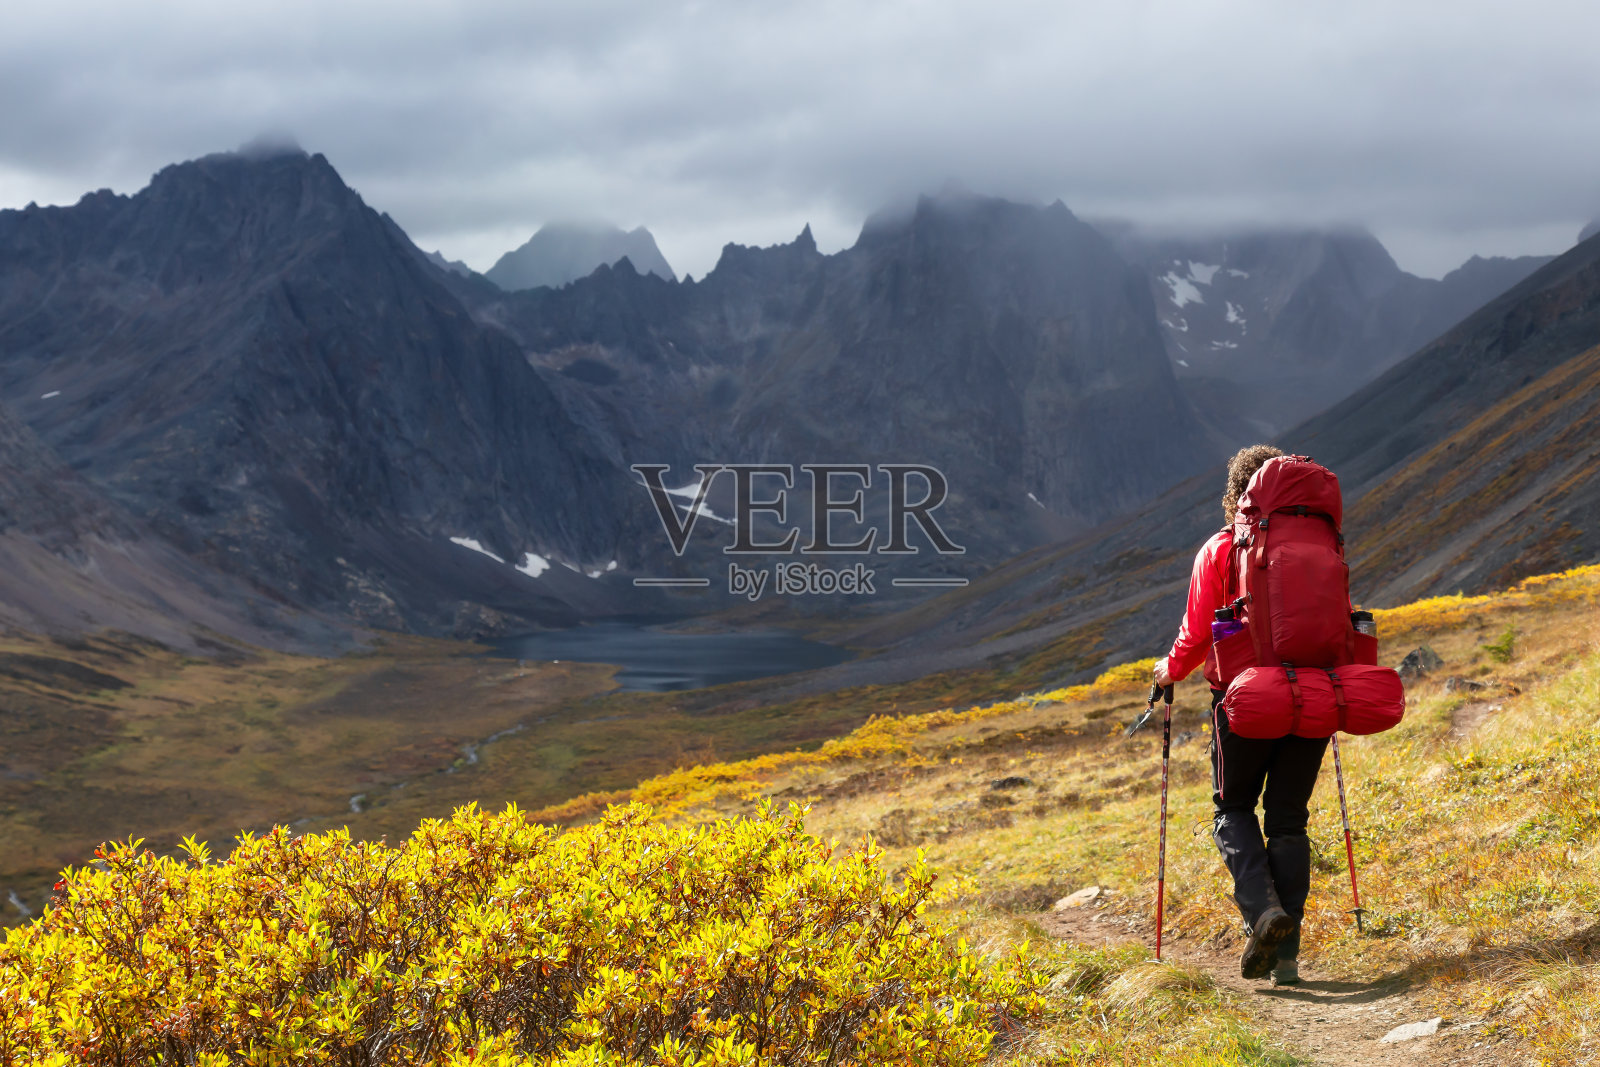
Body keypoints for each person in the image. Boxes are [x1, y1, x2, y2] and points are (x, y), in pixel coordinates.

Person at [1152, 443, 1331, 986]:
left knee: (1232, 810)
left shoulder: (1221, 549)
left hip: (1244, 699)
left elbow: (1195, 634)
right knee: (1288, 820)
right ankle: (1288, 957)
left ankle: (1263, 915)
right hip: (1315, 692)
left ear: (1236, 493)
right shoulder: (1320, 541)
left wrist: (1166, 672)